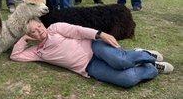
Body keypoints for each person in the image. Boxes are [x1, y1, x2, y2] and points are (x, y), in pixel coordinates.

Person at [10, 19, 173, 89]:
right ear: (30, 36)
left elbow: (78, 30)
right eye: (33, 32)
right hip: (89, 66)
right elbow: (15, 56)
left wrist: (100, 34)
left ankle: (145, 55)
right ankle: (153, 68)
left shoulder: (55, 28)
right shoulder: (37, 52)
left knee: (120, 61)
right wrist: (24, 38)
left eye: (39, 26)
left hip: (94, 47)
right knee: (127, 80)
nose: (39, 31)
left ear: (42, 24)